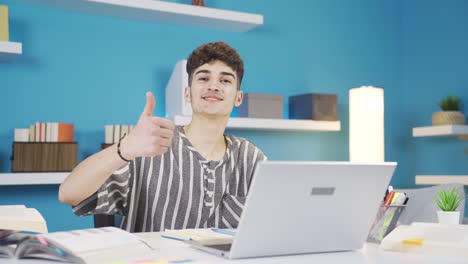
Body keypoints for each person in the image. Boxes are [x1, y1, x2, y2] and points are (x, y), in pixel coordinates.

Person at [59, 41, 267, 232]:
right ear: (187, 93)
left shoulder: (249, 157)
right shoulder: (151, 146)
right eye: (203, 78)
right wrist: (125, 149)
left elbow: (277, 216)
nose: (213, 86)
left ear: (238, 97)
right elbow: (68, 193)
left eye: (225, 80)